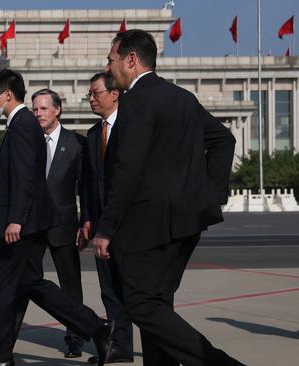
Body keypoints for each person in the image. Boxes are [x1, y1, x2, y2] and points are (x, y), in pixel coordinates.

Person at [89, 29, 244, 366]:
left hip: (148, 225)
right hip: (186, 222)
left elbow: (127, 169)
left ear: (131, 60)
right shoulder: (181, 98)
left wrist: (106, 228)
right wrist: (210, 194)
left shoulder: (136, 101)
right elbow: (224, 140)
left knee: (141, 305)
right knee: (158, 303)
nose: (108, 65)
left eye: (111, 59)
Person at [0, 69, 113, 366]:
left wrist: (16, 219)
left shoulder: (23, 124)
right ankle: (97, 328)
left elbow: (27, 177)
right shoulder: (22, 125)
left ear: (7, 95)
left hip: (21, 226)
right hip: (28, 223)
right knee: (30, 284)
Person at [30, 88, 87, 358]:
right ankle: (3, 337)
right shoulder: (27, 141)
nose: (38, 114)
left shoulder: (76, 144)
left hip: (64, 227)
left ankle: (75, 337)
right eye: (35, 109)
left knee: (70, 285)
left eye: (43, 108)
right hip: (31, 226)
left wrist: (86, 221)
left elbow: (85, 189)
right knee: (23, 281)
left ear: (57, 110)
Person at [82, 72, 134, 364]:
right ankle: (120, 347)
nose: (91, 99)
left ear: (114, 94)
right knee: (109, 289)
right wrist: (87, 218)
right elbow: (89, 183)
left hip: (130, 223)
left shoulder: (130, 128)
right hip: (101, 224)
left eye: (95, 93)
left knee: (135, 289)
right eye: (89, 94)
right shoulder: (92, 134)